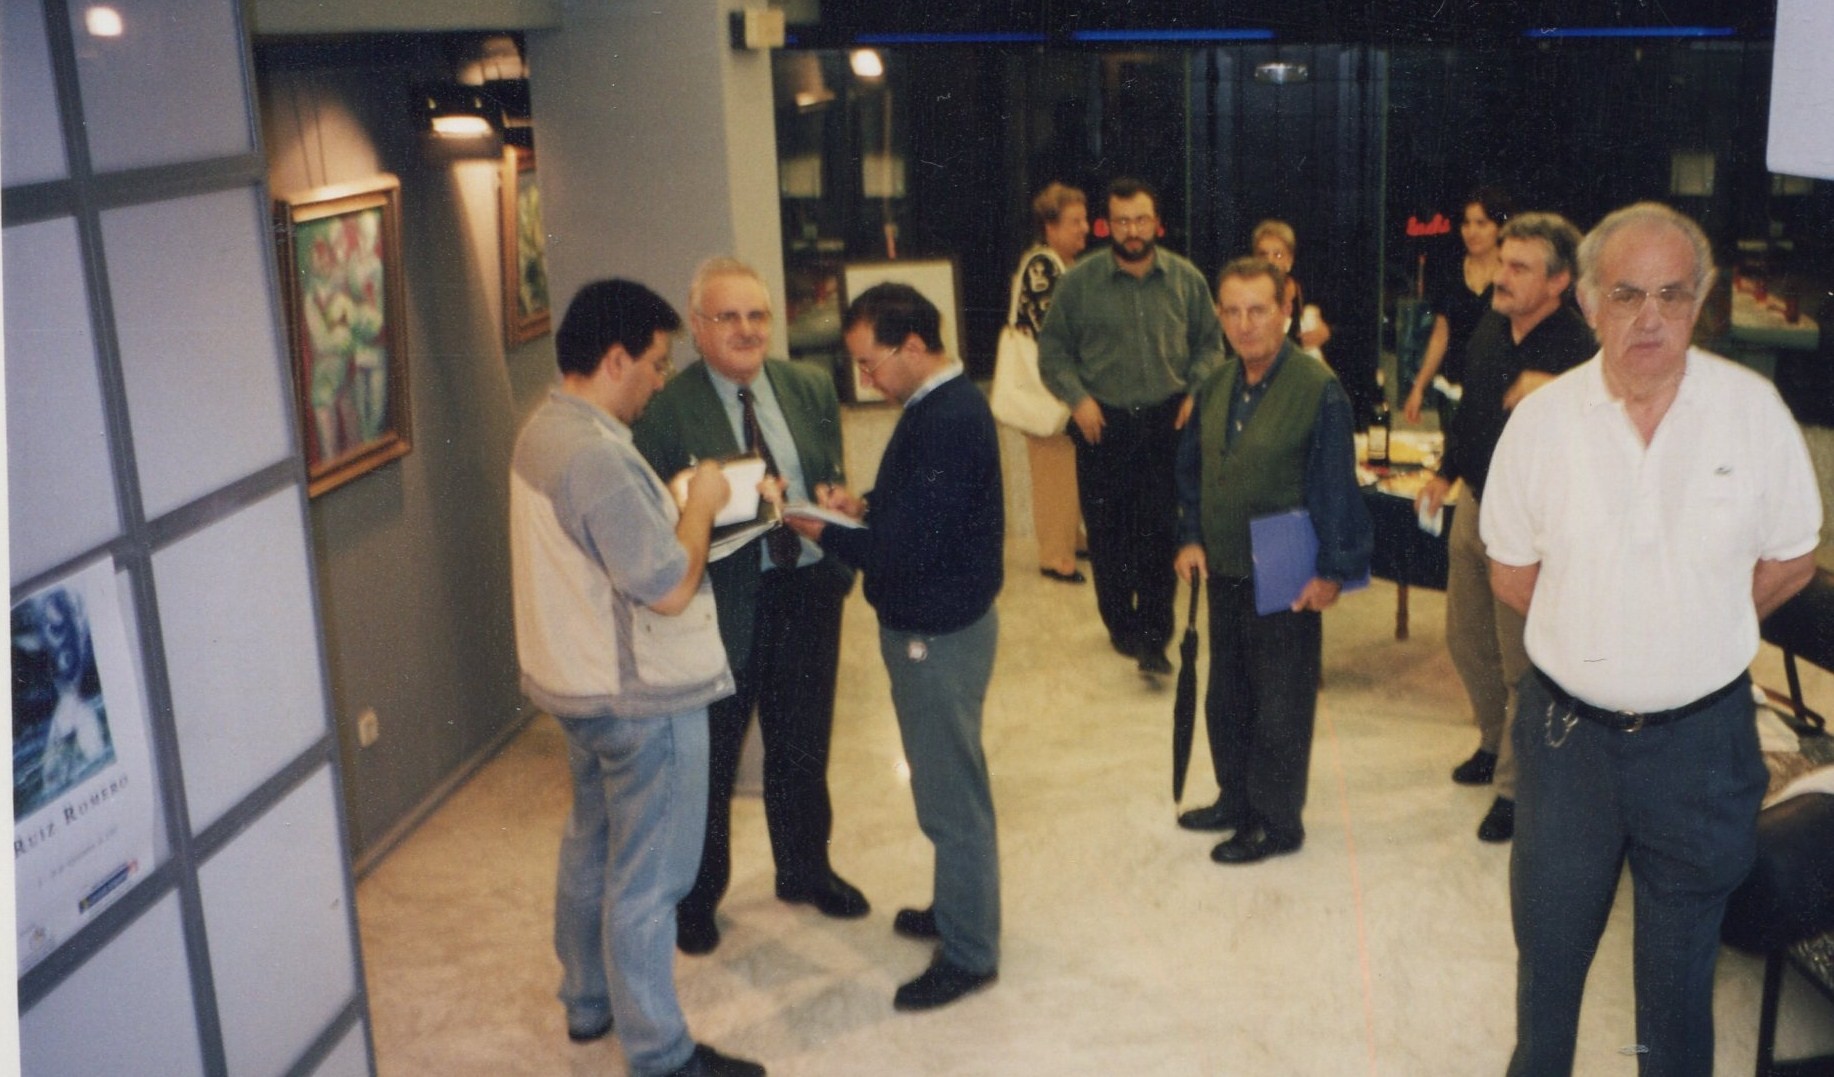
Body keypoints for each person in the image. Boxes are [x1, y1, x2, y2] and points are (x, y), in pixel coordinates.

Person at [1482, 203, 1821, 1075]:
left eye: (1672, 294)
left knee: (1677, 999)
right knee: (1548, 971)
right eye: (1627, 294)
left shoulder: (1752, 412)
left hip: (1702, 749)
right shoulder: (1542, 423)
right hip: (1568, 750)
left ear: (1701, 301)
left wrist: (1698, 618)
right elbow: (1511, 576)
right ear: (1589, 303)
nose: (1650, 318)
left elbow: (1793, 553)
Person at [509, 279, 765, 1077]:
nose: (662, 378)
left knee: (591, 846)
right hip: (641, 699)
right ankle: (660, 1052)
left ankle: (587, 1001)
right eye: (655, 363)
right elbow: (667, 584)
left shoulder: (543, 430)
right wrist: (703, 498)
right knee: (651, 880)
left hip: (578, 686)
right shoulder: (596, 458)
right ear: (614, 358)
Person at [632, 258, 866, 956]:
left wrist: (831, 501)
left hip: (808, 591)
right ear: (698, 326)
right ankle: (699, 896)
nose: (746, 330)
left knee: (802, 742)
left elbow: (829, 472)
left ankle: (806, 869)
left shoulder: (808, 386)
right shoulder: (667, 409)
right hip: (722, 603)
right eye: (728, 317)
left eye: (757, 316)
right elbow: (659, 516)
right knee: (712, 755)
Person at [785, 282, 1004, 1013]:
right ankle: (956, 908)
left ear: (913, 347)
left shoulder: (946, 417)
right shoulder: (938, 405)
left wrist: (825, 530)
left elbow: (906, 549)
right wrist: (864, 505)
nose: (865, 379)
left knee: (950, 799)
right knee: (947, 785)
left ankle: (970, 951)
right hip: (939, 625)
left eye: (870, 362)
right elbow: (918, 507)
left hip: (937, 636)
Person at [1171, 257, 1372, 860]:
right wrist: (1189, 536)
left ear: (1286, 311)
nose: (1244, 324)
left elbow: (1336, 485)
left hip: (1287, 568)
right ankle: (1236, 797)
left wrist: (1334, 570)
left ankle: (1278, 822)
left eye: (1258, 309)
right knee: (1226, 694)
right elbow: (1193, 469)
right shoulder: (1214, 385)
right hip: (1226, 564)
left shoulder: (1318, 390)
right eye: (1230, 311)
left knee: (1280, 702)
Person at [1412, 212, 1594, 843]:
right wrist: (1445, 471)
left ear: (1559, 281)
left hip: (1535, 529)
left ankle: (1518, 791)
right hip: (1477, 503)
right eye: (1503, 262)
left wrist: (1564, 390)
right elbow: (1472, 410)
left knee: (1522, 665)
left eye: (1519, 267)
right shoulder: (1490, 326)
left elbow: (1610, 430)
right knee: (1465, 640)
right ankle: (1494, 743)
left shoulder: (1582, 353)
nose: (1502, 276)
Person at [1038, 177, 1226, 675]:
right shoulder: (1079, 284)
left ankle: (1153, 637)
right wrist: (1077, 399)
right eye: (1122, 220)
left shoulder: (1186, 281)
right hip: (1103, 425)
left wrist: (1195, 390)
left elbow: (1211, 344)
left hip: (1168, 421)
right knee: (1109, 534)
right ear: (1107, 224)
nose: (1133, 230)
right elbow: (1052, 352)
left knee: (1161, 531)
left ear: (1156, 221)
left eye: (1141, 219)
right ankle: (1122, 624)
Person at [1010, 181, 1091, 584]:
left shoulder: (1062, 265)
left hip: (1057, 387)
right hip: (1046, 389)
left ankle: (1069, 539)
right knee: (1053, 471)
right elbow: (1051, 332)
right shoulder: (1041, 265)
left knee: (1066, 467)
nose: (1085, 229)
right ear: (1050, 225)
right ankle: (1055, 555)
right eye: (1075, 222)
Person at [1403, 188, 1515, 424]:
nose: (1471, 232)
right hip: (1454, 392)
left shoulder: (1512, 275)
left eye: (1481, 223)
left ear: (1499, 228)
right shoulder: (1450, 273)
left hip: (1500, 393)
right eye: (1466, 224)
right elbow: (1440, 336)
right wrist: (1419, 387)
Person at [1251, 219, 1331, 362]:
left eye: (1278, 255)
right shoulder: (1246, 299)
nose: (1270, 261)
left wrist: (1326, 333)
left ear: (1290, 261)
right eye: (1263, 254)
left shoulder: (1308, 293)